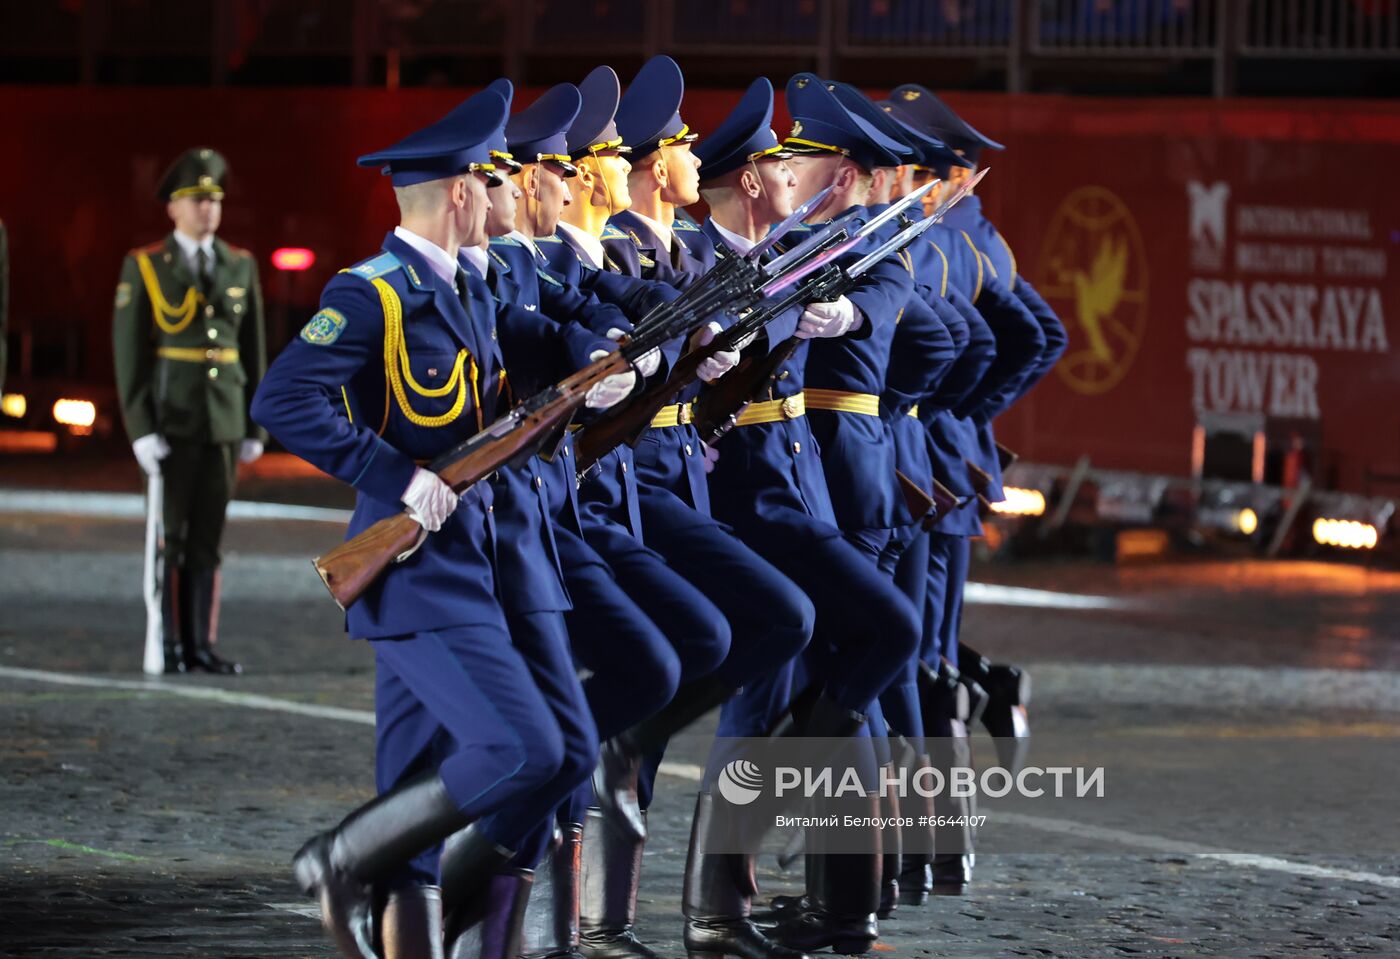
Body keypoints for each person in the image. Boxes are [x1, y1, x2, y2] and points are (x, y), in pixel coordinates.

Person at [251, 90, 631, 959]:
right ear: (459, 194)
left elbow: (548, 333)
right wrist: (397, 475)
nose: (499, 197)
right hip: (421, 564)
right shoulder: (372, 294)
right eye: (485, 183)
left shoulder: (477, 284)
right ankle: (339, 856)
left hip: (487, 557)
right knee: (522, 747)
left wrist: (605, 363)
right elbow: (285, 398)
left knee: (536, 756)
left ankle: (427, 917)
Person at [111, 147, 266, 675]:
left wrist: (253, 423)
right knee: (170, 536)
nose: (208, 209)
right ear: (172, 209)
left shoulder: (240, 264)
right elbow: (129, 355)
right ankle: (169, 642)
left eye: (215, 200)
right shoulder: (147, 265)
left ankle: (201, 644)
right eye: (198, 200)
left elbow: (252, 349)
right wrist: (140, 429)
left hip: (222, 419)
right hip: (172, 419)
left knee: (207, 538)